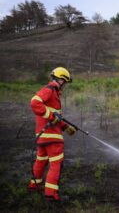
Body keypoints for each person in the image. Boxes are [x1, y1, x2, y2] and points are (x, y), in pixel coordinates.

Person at [28, 67, 76, 201]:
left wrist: (66, 127)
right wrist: (51, 116)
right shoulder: (49, 89)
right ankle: (51, 194)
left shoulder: (53, 94)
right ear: (61, 80)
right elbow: (34, 103)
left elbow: (56, 118)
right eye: (65, 82)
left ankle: (34, 185)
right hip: (52, 137)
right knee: (56, 164)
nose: (64, 85)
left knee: (41, 161)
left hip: (43, 136)